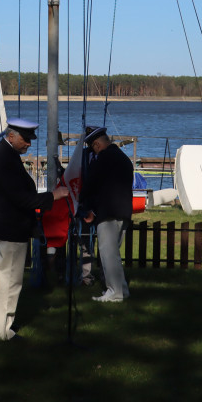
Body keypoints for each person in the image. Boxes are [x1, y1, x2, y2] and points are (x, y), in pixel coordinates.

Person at [0, 117, 69, 340]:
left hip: (7, 227)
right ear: (11, 136)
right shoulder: (5, 158)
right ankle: (3, 331)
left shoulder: (3, 153)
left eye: (31, 139)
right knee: (10, 282)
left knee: (6, 279)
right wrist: (54, 195)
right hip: (10, 230)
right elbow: (22, 199)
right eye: (25, 139)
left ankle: (1, 327)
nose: (29, 144)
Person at [81, 126, 133, 302]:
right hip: (123, 211)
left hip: (108, 212)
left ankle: (114, 292)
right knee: (114, 254)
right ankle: (121, 289)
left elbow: (92, 184)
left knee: (108, 254)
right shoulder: (122, 157)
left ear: (96, 144)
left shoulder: (103, 158)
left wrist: (82, 201)